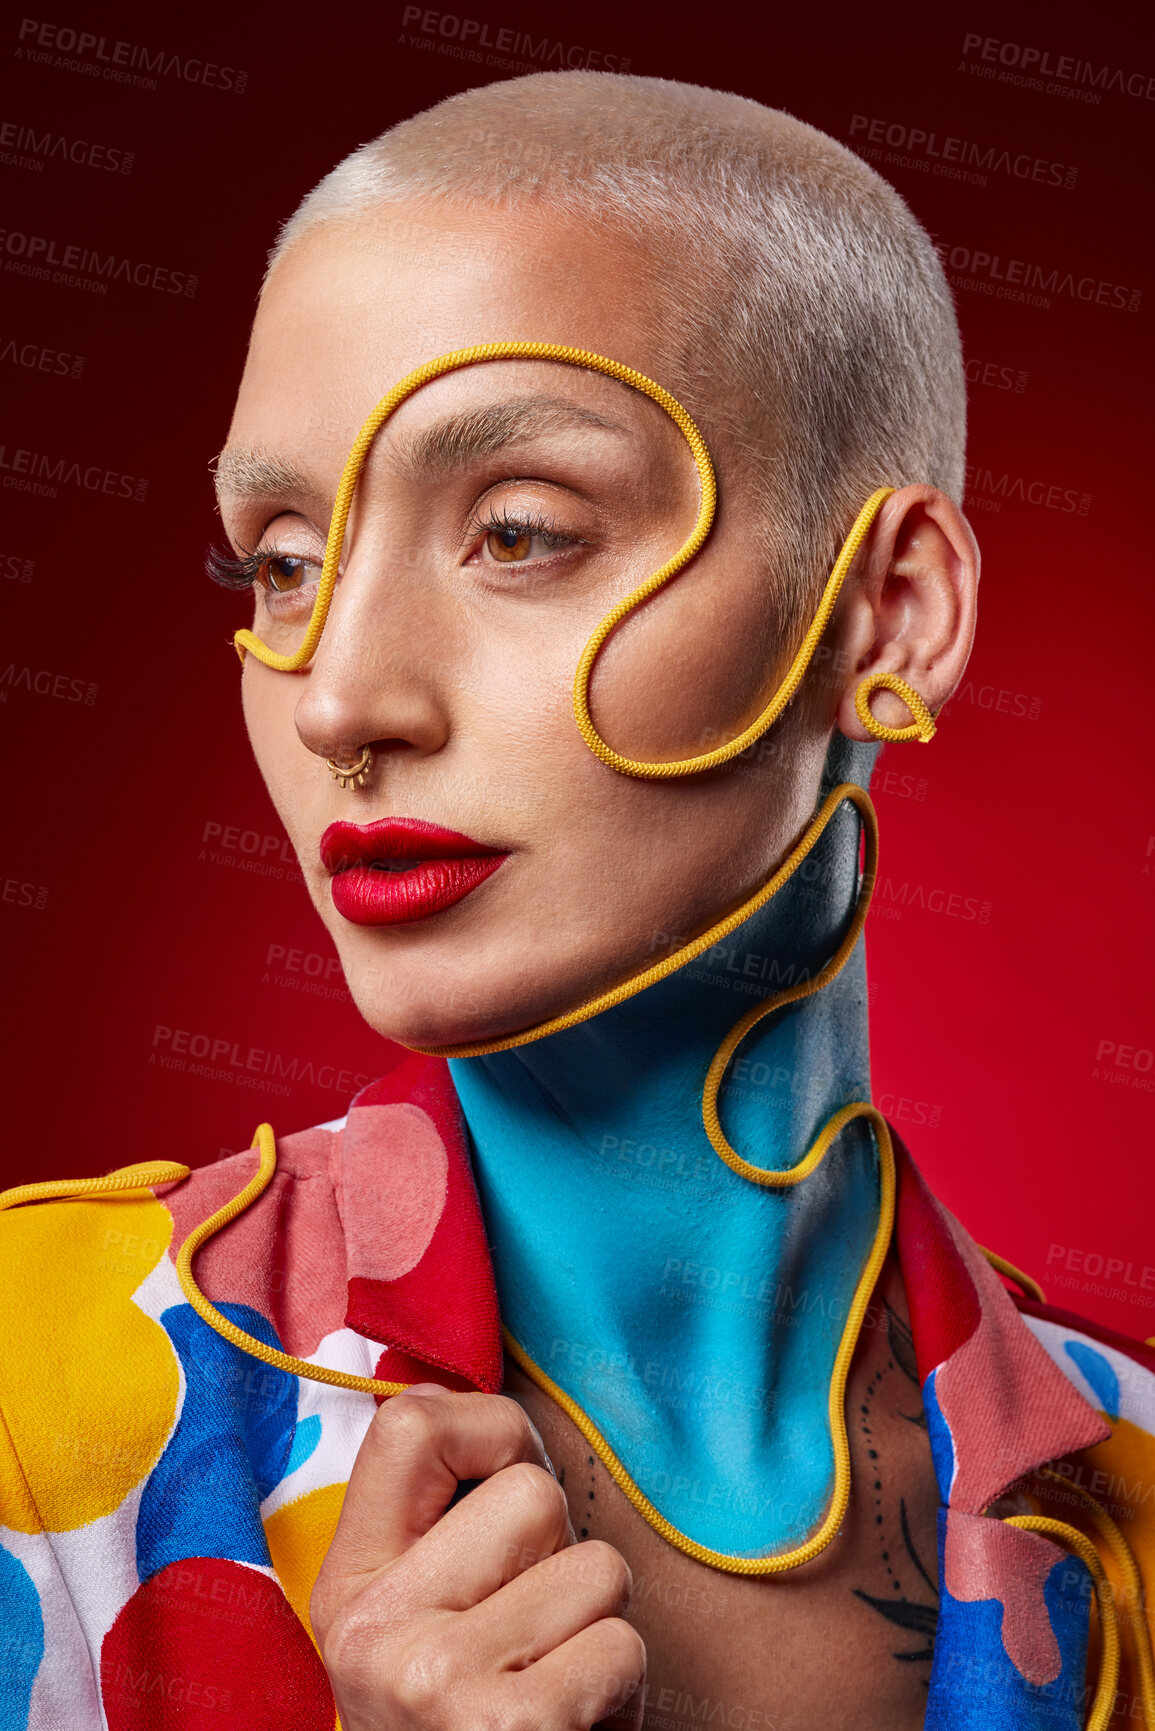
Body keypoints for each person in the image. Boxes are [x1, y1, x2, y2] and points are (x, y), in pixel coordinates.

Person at [1, 71, 1151, 1731]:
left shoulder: (1138, 1496)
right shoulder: (43, 1398)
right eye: (279, 562)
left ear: (889, 617)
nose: (341, 699)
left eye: (520, 531)